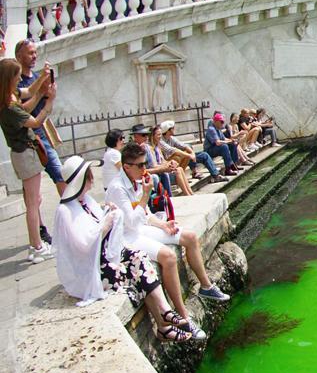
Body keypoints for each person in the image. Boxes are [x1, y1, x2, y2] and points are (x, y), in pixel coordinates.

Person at [53, 157, 193, 341]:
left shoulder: (85, 200)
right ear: (80, 180)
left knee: (140, 258)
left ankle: (165, 315)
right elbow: (82, 245)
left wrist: (106, 214)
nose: (92, 180)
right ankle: (164, 324)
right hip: (91, 270)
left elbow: (96, 225)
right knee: (136, 271)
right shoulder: (65, 211)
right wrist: (106, 223)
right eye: (88, 177)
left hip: (105, 256)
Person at [107, 143, 231, 339]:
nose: (144, 169)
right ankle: (184, 317)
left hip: (140, 229)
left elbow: (146, 214)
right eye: (140, 165)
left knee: (189, 236)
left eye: (145, 164)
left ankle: (206, 287)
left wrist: (163, 225)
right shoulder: (117, 188)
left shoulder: (136, 180)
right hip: (127, 237)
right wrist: (146, 194)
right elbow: (130, 222)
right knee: (168, 257)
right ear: (126, 166)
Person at [1, 58, 56, 263]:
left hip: (24, 152)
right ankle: (37, 246)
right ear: (10, 78)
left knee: (35, 200)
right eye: (17, 76)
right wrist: (49, 104)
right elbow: (34, 121)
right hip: (25, 153)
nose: (19, 80)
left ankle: (37, 245)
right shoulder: (8, 106)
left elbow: (30, 94)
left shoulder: (11, 96)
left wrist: (42, 82)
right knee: (32, 204)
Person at [15, 39, 63, 245]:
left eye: (35, 53)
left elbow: (43, 101)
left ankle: (75, 215)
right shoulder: (14, 83)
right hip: (27, 139)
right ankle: (39, 230)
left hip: (41, 135)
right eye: (30, 53)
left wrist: (49, 92)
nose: (34, 57)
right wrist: (43, 94)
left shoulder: (36, 77)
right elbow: (23, 107)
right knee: (32, 194)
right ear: (19, 56)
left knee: (60, 174)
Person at [160, 120, 225, 183]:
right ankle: (183, 176)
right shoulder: (161, 141)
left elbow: (183, 145)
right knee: (180, 155)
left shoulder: (171, 138)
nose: (174, 129)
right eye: (173, 128)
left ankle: (216, 175)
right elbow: (173, 151)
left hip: (182, 159)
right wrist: (190, 155)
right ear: (168, 130)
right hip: (168, 162)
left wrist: (192, 154)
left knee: (204, 155)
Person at [146, 123, 194, 196]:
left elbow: (163, 161)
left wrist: (170, 163)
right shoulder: (149, 148)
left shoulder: (158, 146)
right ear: (152, 136)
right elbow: (153, 165)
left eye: (160, 134)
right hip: (157, 172)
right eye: (158, 135)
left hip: (162, 169)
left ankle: (191, 193)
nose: (160, 136)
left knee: (180, 168)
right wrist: (167, 166)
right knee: (178, 171)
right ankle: (187, 194)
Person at [204, 112, 239, 176]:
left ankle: (234, 164)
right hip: (209, 150)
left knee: (233, 144)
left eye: (223, 122)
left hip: (216, 148)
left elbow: (224, 139)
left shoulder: (218, 129)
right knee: (224, 147)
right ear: (216, 121)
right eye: (221, 122)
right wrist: (228, 142)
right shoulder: (211, 129)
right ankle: (228, 169)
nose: (222, 124)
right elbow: (218, 142)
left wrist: (231, 140)